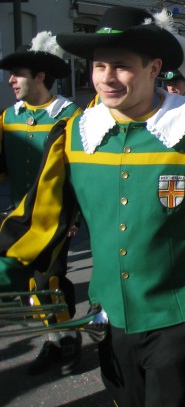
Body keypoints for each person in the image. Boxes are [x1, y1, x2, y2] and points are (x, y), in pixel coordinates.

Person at [0, 7, 185, 406]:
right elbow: (39, 217)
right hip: (108, 314)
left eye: (122, 67)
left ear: (153, 68)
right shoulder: (74, 135)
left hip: (180, 313)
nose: (107, 79)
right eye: (99, 67)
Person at [0, 32, 83, 376]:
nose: (10, 81)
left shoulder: (69, 115)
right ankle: (55, 337)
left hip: (57, 218)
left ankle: (66, 339)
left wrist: (75, 215)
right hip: (20, 219)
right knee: (28, 284)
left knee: (48, 280)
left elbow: (80, 171)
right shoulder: (9, 118)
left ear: (40, 77)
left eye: (17, 74)